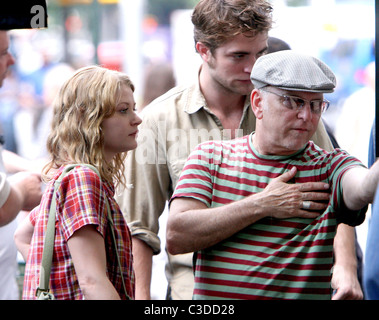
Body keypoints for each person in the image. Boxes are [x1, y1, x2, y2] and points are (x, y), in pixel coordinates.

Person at [117, 0, 361, 300]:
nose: (253, 67)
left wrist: (347, 266)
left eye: (260, 53)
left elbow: (332, 189)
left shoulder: (291, 106)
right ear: (203, 51)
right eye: (239, 56)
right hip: (194, 294)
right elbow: (139, 231)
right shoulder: (160, 120)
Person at [167, 50, 376, 300]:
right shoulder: (211, 157)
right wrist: (263, 204)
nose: (306, 116)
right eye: (293, 101)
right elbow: (176, 236)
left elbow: (363, 187)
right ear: (258, 103)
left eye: (316, 105)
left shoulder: (329, 167)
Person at [14, 65, 142, 300]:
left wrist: (54, 279)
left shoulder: (71, 176)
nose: (137, 119)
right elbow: (92, 281)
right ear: (89, 119)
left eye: (134, 109)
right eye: (123, 110)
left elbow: (24, 234)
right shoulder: (83, 178)